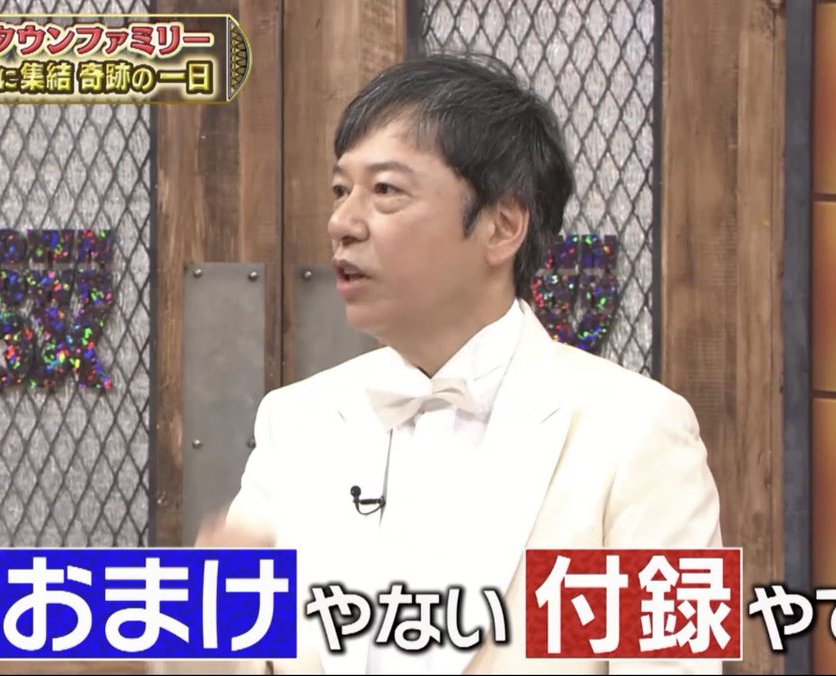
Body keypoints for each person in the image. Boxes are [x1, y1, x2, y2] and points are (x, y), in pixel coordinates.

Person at [185, 53, 723, 675]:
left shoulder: (635, 433)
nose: (342, 223)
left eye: (385, 191)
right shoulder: (296, 420)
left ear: (502, 227)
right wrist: (205, 625)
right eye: (340, 190)